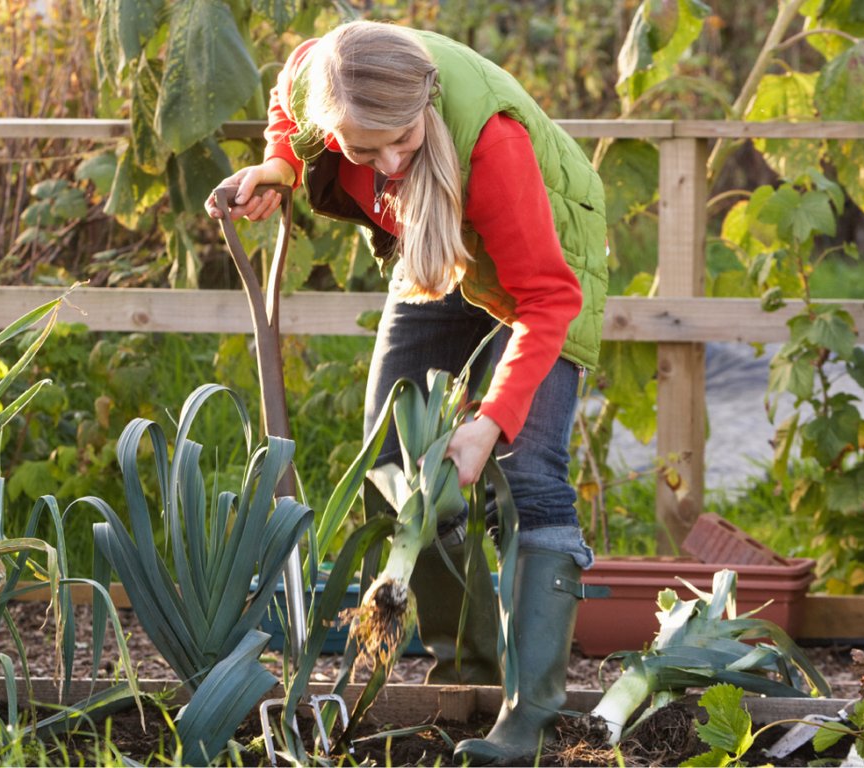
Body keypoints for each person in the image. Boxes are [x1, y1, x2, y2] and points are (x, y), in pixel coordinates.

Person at [206, 20, 608, 766]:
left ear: (425, 101)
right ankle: (470, 677)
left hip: (540, 254)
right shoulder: (315, 75)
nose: (387, 160)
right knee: (394, 459)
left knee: (529, 472)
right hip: (435, 239)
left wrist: (490, 421)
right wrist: (276, 168)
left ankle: (529, 720)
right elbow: (289, 115)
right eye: (363, 150)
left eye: (402, 139)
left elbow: (548, 300)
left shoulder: (492, 146)